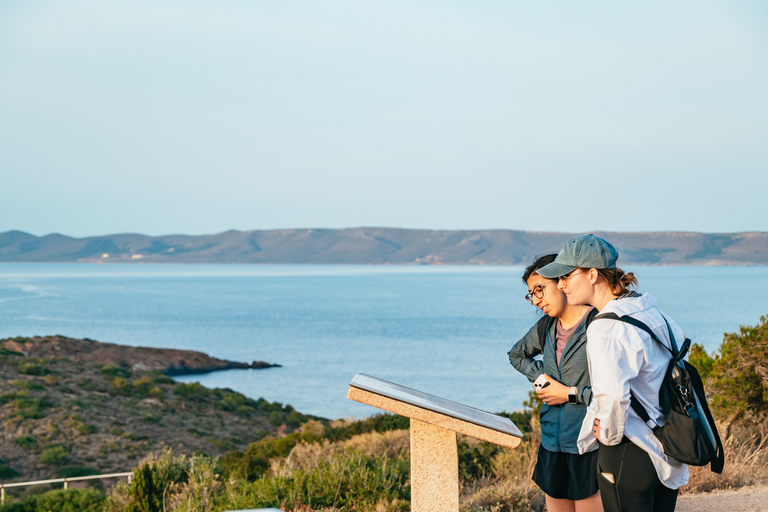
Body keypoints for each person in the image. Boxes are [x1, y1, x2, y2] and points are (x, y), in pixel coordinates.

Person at [537, 234, 688, 512]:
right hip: (669, 445)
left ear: (592, 274)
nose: (561, 285)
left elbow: (612, 397)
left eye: (567, 276)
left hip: (630, 453)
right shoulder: (650, 311)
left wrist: (605, 436)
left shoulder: (606, 328)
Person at [508, 254, 603, 512]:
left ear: (562, 282)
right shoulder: (545, 328)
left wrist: (569, 393)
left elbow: (615, 394)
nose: (536, 299)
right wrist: (543, 380)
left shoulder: (598, 325)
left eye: (540, 289)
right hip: (551, 442)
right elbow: (516, 355)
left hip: (588, 443)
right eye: (531, 294)